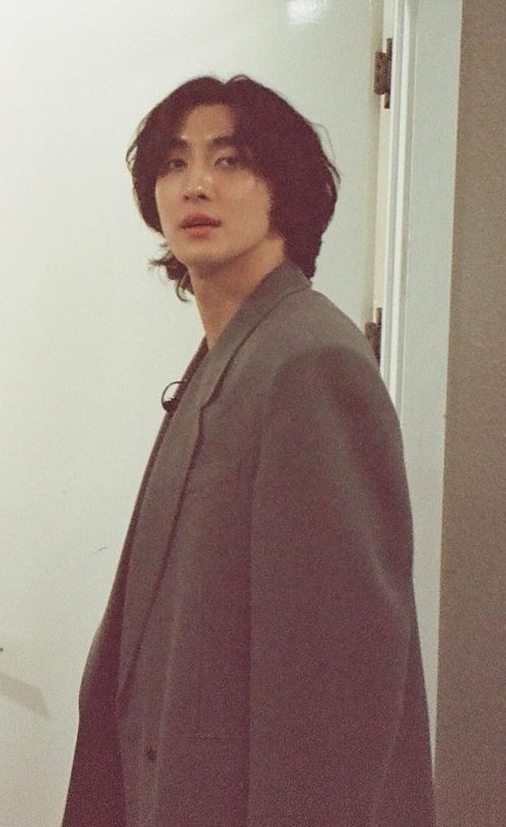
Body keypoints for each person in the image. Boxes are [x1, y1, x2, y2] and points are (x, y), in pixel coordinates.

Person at [62, 76, 434, 827]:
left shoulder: (308, 362)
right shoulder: (236, 352)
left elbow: (334, 694)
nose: (195, 184)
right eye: (174, 163)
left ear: (283, 191)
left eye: (229, 160)